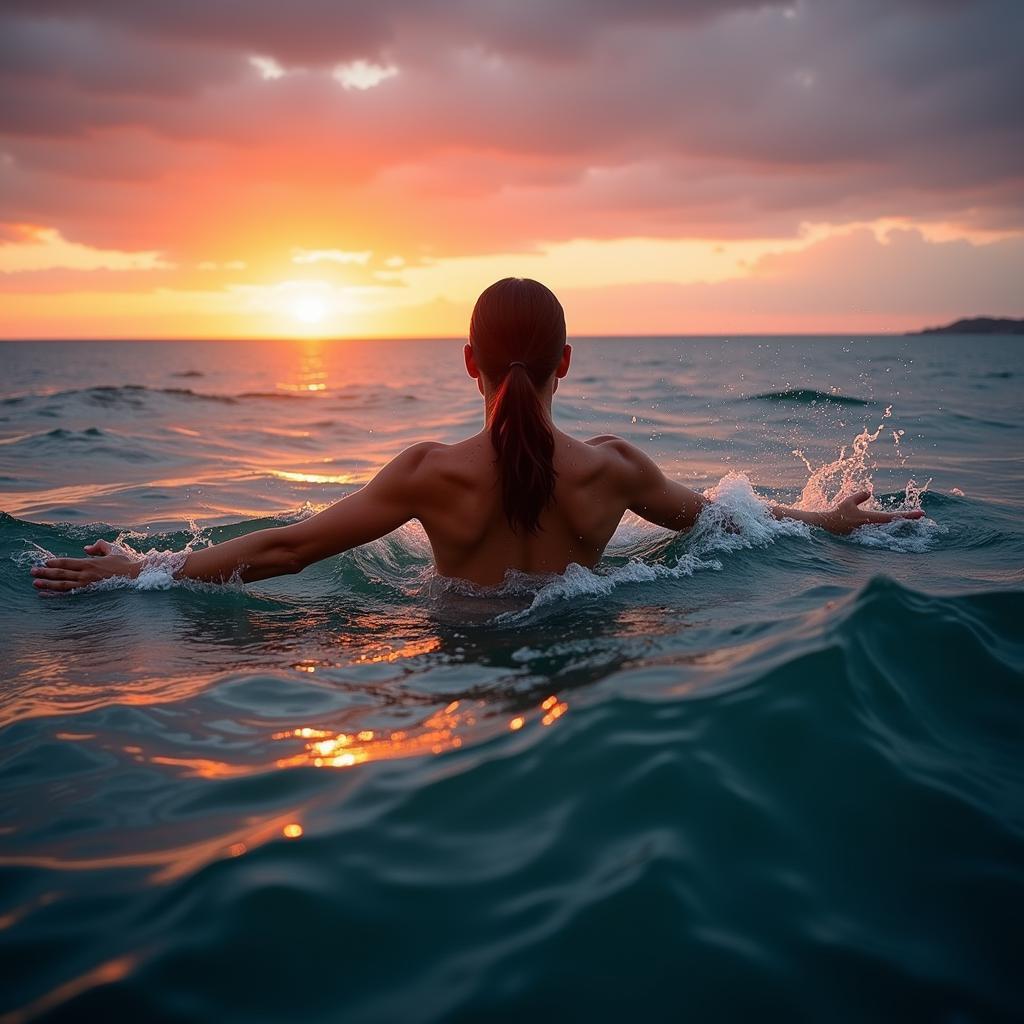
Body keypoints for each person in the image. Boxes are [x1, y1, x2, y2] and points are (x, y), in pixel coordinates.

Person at [29, 278, 923, 594]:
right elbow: (737, 519)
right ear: (566, 360)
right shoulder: (615, 468)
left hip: (460, 670)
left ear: (469, 361)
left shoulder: (429, 474)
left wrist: (133, 571)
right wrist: (840, 524)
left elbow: (284, 551)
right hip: (592, 665)